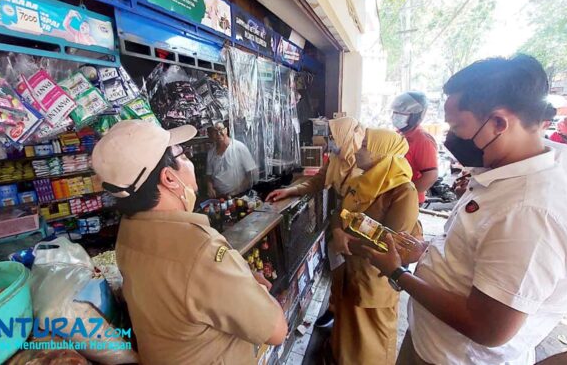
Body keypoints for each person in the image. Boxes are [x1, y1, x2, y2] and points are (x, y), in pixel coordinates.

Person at [362, 55, 567, 365]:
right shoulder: (508, 169)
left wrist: (399, 273)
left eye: (457, 126)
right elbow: (481, 250)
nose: (450, 138)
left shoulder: (529, 213)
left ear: (498, 123)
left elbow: (488, 327)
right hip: (433, 343)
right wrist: (428, 250)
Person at [92, 120, 287, 364]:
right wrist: (253, 288)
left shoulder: (128, 232)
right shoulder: (201, 250)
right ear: (170, 179)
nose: (190, 162)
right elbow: (276, 331)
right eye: (182, 155)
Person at [329, 128, 422, 365]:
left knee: (371, 347)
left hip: (374, 281)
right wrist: (339, 231)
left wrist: (347, 243)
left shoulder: (403, 191)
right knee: (348, 339)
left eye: (364, 146)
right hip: (350, 273)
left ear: (381, 153)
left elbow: (392, 246)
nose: (358, 150)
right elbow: (340, 213)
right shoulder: (361, 181)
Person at [267, 116, 365, 329]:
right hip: (339, 223)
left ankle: (349, 318)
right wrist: (290, 190)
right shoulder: (335, 160)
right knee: (339, 274)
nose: (329, 141)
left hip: (358, 228)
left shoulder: (363, 162)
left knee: (357, 278)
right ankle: (334, 308)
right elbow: (317, 181)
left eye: (333, 136)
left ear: (346, 136)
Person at [391, 91, 439, 205]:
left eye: (402, 114)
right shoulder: (399, 134)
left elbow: (431, 175)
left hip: (408, 199)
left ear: (415, 116)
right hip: (393, 195)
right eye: (395, 112)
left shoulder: (422, 139)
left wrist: (405, 193)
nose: (395, 116)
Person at [206, 121, 257, 198]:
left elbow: (252, 173)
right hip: (219, 197)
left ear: (226, 130)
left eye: (220, 129)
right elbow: (208, 176)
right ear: (211, 135)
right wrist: (210, 188)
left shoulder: (239, 147)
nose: (218, 133)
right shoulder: (211, 153)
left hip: (239, 196)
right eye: (214, 131)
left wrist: (236, 191)